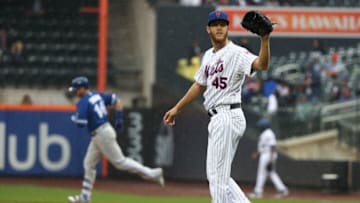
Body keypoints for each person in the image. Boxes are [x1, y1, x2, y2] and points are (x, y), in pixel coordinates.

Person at [163, 10, 271, 203]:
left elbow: (261, 64)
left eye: (223, 24)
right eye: (215, 24)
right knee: (217, 176)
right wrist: (177, 108)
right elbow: (199, 85)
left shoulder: (236, 52)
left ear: (228, 28)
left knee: (218, 180)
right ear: (208, 29)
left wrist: (265, 39)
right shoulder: (208, 56)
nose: (219, 27)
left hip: (227, 114)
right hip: (217, 117)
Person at [67, 76, 164, 203]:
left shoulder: (84, 102)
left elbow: (81, 123)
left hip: (101, 134)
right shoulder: (97, 95)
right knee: (89, 163)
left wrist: (74, 118)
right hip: (101, 133)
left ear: (82, 88)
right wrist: (119, 118)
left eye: (76, 89)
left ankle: (152, 173)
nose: (75, 92)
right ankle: (85, 196)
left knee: (120, 162)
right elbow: (117, 100)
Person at [249, 118, 289, 198]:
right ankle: (283, 190)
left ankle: (258, 192)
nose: (260, 127)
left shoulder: (269, 133)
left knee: (261, 173)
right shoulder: (266, 133)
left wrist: (270, 159)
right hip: (267, 154)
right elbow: (263, 146)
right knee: (271, 173)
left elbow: (272, 147)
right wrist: (257, 154)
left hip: (268, 155)